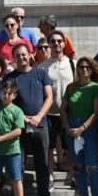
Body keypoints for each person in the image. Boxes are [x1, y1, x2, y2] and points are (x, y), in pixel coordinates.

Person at [4, 43, 60, 196]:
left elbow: (49, 97)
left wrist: (38, 116)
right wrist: (22, 118)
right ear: (14, 58)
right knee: (18, 164)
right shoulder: (10, 77)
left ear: (30, 54)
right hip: (19, 128)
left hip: (40, 126)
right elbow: (7, 101)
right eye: (18, 55)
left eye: (24, 54)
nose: (21, 57)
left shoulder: (41, 73)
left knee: (42, 165)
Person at [60, 57, 98, 196]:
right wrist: (67, 126)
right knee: (78, 166)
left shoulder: (96, 88)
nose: (84, 69)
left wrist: (82, 128)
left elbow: (96, 112)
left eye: (87, 67)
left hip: (90, 129)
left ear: (92, 69)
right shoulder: (71, 87)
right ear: (77, 69)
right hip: (72, 128)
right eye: (81, 66)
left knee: (93, 166)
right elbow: (63, 109)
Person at [39, 30, 75, 177]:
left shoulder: (73, 64)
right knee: (49, 146)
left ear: (64, 43)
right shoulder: (42, 67)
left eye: (59, 41)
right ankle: (50, 176)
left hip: (69, 111)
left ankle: (72, 175)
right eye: (53, 41)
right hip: (50, 112)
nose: (56, 44)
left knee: (70, 146)